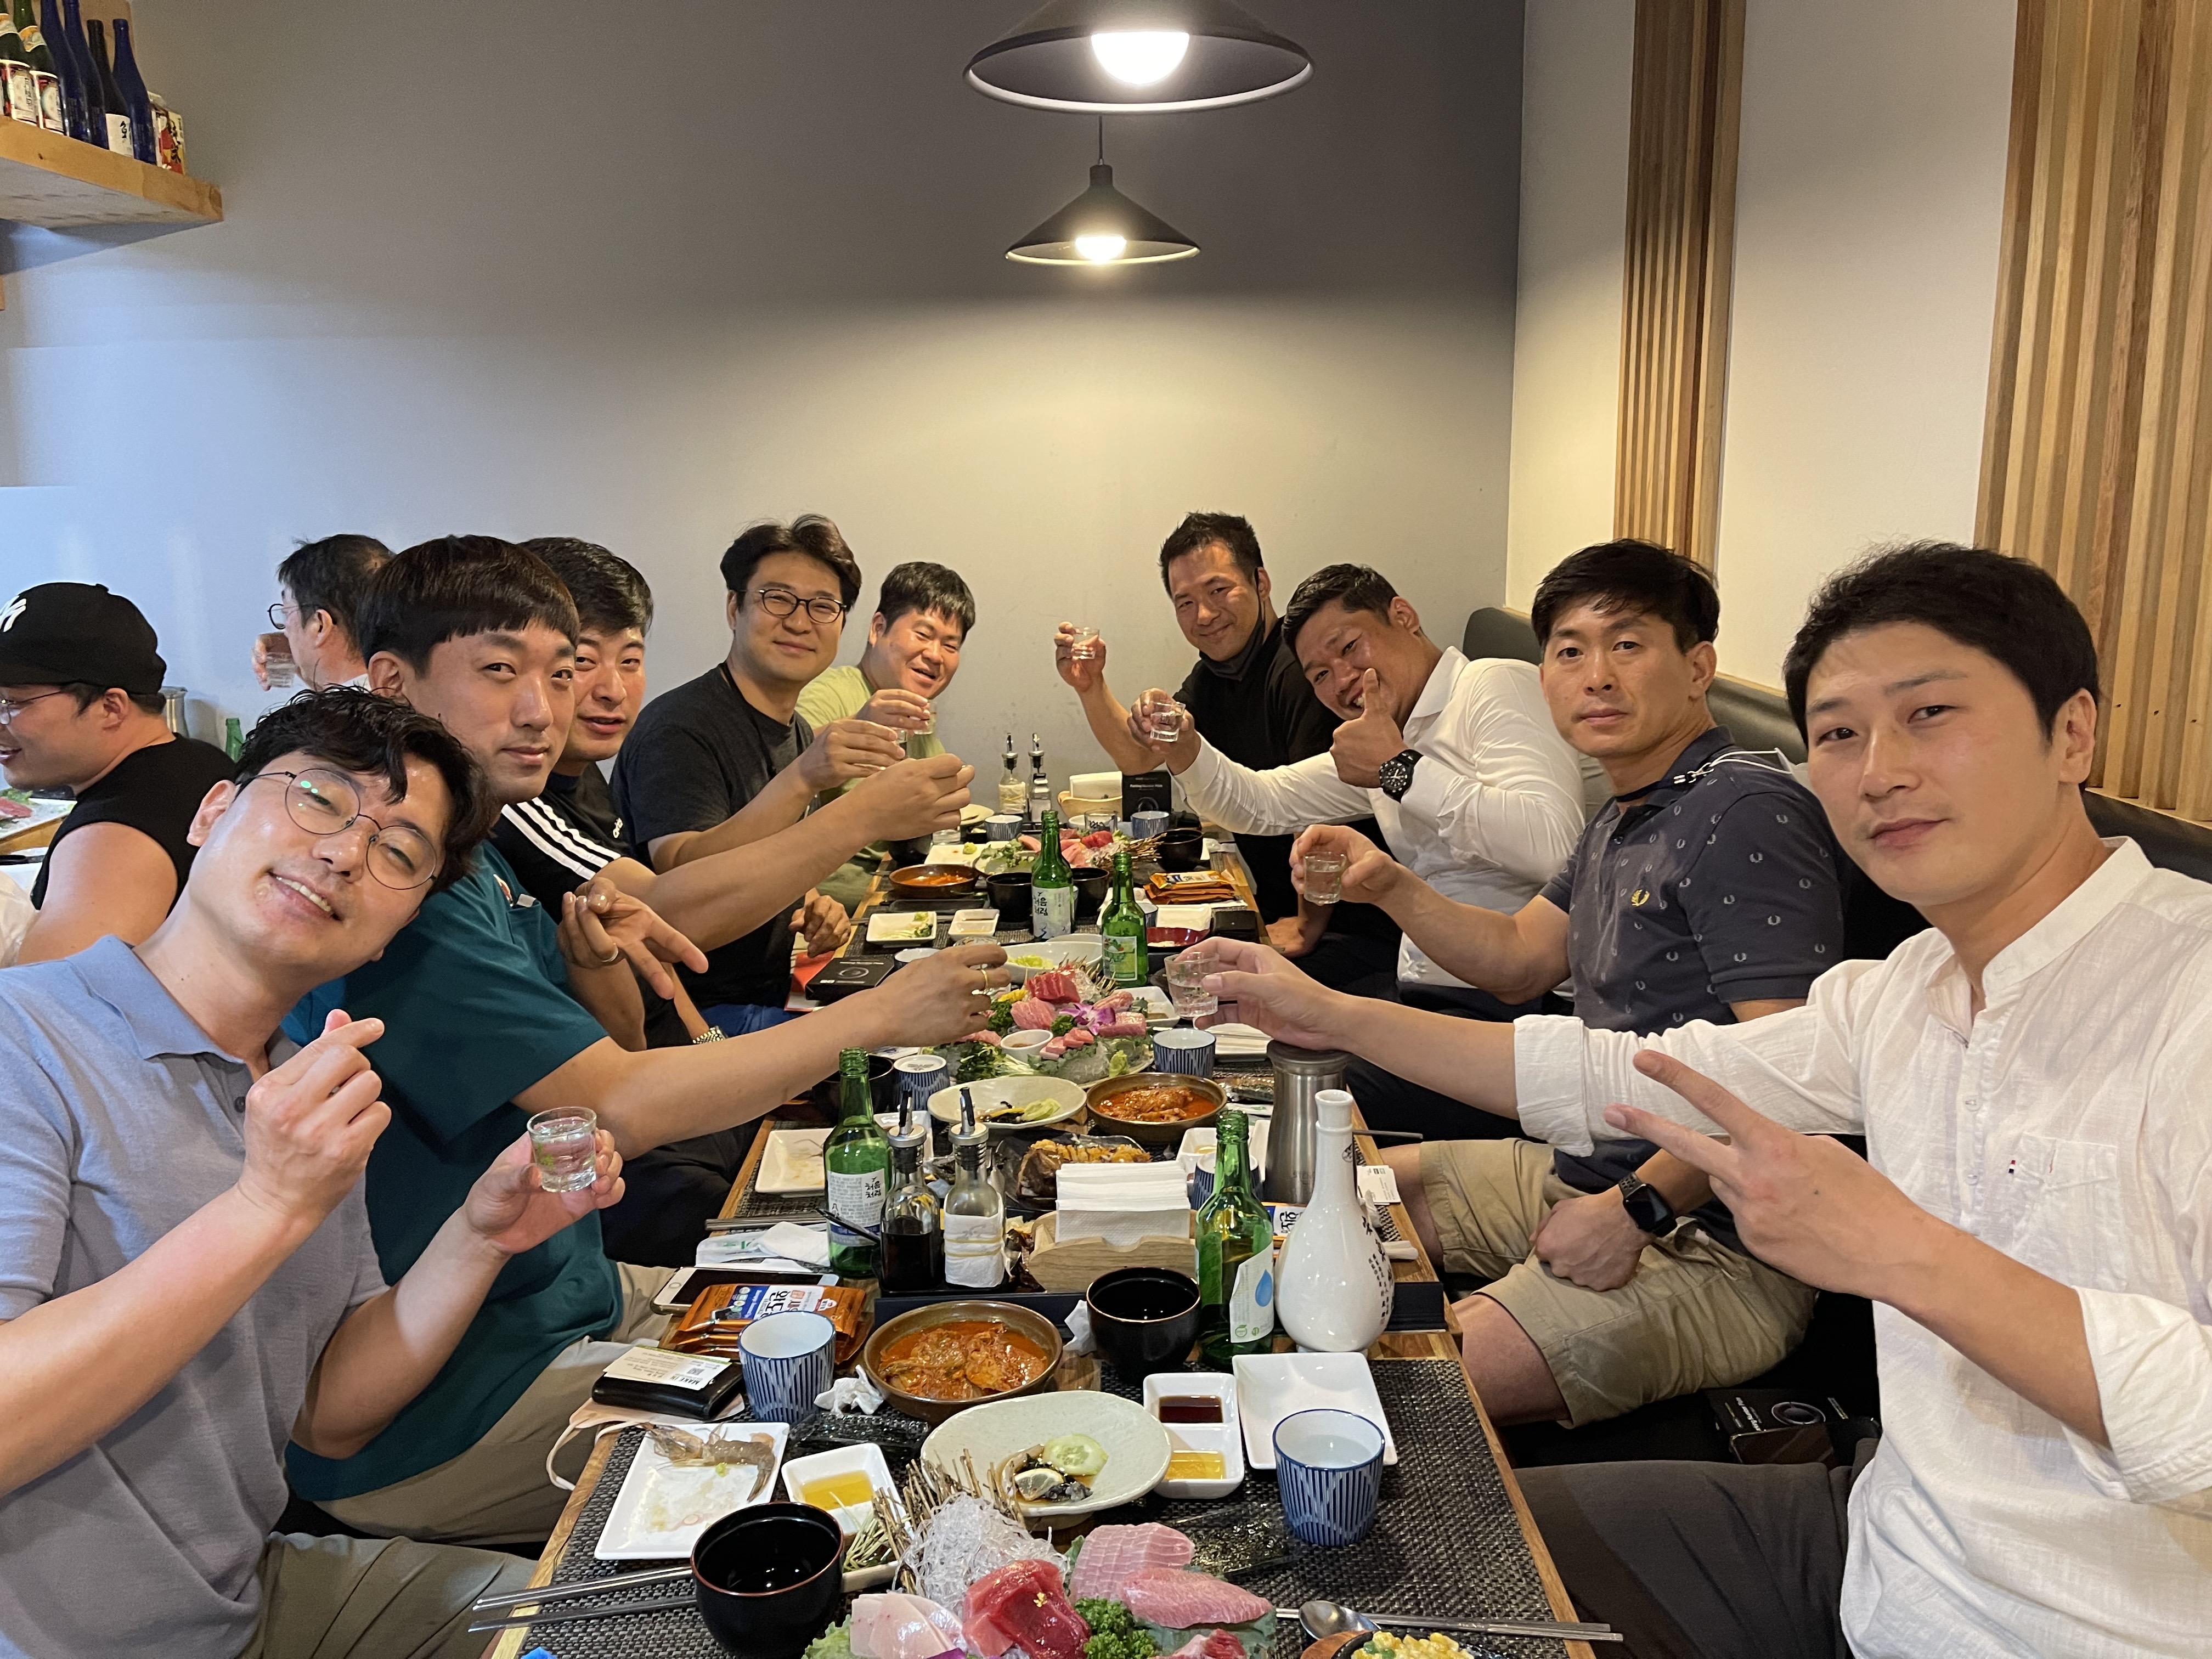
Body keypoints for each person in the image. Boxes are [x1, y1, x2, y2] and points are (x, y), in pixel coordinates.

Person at [1189, 544, 2212, 1659]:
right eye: (1839, 733)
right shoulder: (1903, 989)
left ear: (2072, 732)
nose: (1879, 771)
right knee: (1412, 1548)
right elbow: (1617, 1069)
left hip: (2080, 1621)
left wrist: (1889, 1249)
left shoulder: (2184, 993)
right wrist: (1325, 1011)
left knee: (1403, 1452)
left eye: (1930, 714)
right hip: (1887, 1535)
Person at [286, 536, 1007, 1546]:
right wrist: (879, 1014)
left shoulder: (478, 855)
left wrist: (591, 956)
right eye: (500, 670)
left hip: (570, 1297)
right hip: (457, 1400)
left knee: (879, 1313)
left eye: (561, 670)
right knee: (874, 1453)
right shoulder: (406, 900)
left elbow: (617, 1041)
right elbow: (621, 1101)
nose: (543, 708)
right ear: (392, 682)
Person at [0, 689, 626, 1659]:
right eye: (321, 798)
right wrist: (268, 1204)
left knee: (618, 1626)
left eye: (399, 852)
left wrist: (479, 1235)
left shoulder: (308, 1084)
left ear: (396, 927)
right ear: (212, 811)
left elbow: (329, 1413)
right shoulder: (26, 1036)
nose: (342, 853)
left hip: (244, 1595)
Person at [1296, 541, 1841, 1426]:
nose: (1597, 676)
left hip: (1719, 1245)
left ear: (1698, 667)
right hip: (1587, 1169)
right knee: (1325, 1204)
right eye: (1570, 651)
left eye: (1627, 645)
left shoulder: (1742, 811)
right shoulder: (1622, 816)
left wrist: (1636, 1209)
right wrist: (1389, 884)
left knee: (1398, 1399)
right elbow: (1518, 957)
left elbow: (1787, 1081)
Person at [494, 537, 966, 1264]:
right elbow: (673, 912)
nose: (607, 689)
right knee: (893, 1093)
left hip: (678, 1046)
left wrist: (805, 899)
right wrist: (854, 812)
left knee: (913, 1100)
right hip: (631, 1106)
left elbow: (638, 963)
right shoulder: (554, 786)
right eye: (576, 665)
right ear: (734, 608)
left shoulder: (582, 778)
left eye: (630, 659)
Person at [1141, 562, 1590, 1104]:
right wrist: (1185, 746)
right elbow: (1260, 803)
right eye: (1319, 675)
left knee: (1275, 1097)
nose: (1341, 679)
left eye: (1350, 647)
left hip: (1515, 1013)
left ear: (1403, 616)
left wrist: (1398, 770)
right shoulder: (1390, 736)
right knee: (1207, 1045)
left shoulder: (1492, 685)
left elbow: (1554, 845)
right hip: (1424, 995)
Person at [1055, 514, 1400, 995]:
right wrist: (1091, 687)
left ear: (1261, 582)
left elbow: (1320, 821)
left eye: (1218, 590)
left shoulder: (1301, 671)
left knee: (1183, 994)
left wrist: (1307, 926)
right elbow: (1140, 759)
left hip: (1356, 926)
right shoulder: (1214, 675)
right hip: (1278, 906)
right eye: (1186, 602)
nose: (1204, 614)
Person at [614, 515, 919, 1035]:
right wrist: (803, 778)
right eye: (778, 599)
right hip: (692, 1016)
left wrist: (813, 904)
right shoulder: (680, 728)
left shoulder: (794, 731)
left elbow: (769, 862)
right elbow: (682, 877)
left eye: (822, 606)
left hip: (770, 994)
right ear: (735, 608)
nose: (800, 622)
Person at [0, 582, 234, 964]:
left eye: (12, 702)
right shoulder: (199, 761)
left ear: (110, 707)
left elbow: (52, 1001)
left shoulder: (110, 844)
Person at [798, 560, 974, 911]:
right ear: (878, 628)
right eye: (922, 635)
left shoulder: (920, 719)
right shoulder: (830, 695)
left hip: (904, 899)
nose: (935, 655)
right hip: (837, 914)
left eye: (950, 646)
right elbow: (776, 772)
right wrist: (857, 727)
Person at [254, 534, 393, 691]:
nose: (285, 632)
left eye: (287, 612)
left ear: (320, 625)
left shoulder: (344, 707)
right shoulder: (403, 694)